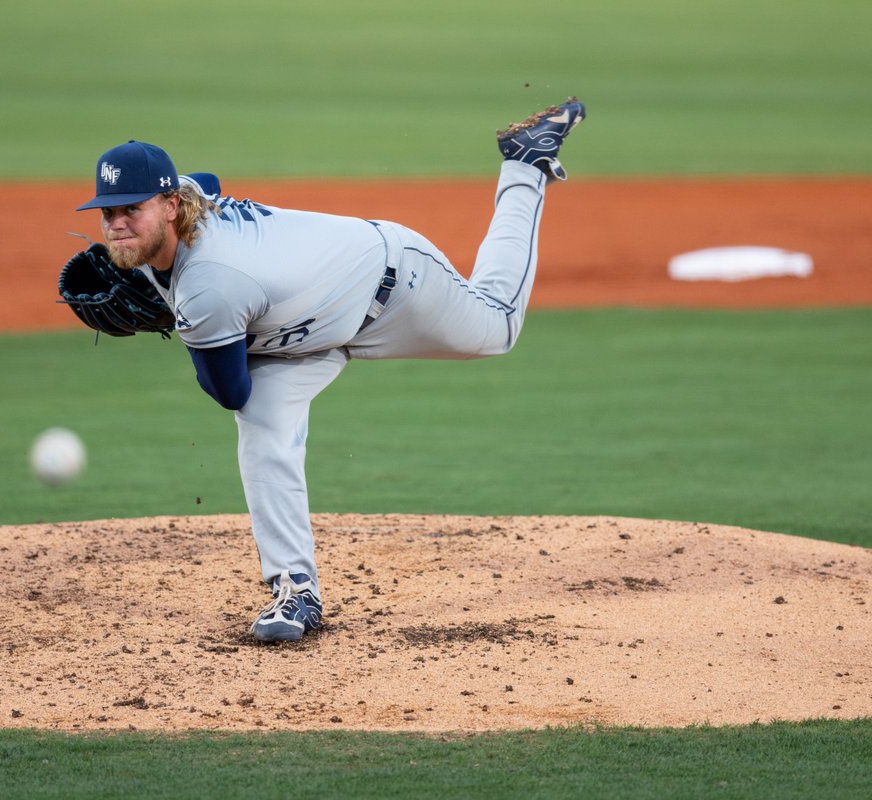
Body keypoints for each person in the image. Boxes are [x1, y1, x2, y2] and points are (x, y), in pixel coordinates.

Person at [76, 98, 586, 643]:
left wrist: (182, 320)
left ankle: (524, 164)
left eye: (133, 208)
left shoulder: (209, 286)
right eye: (109, 212)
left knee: (497, 328)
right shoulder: (193, 201)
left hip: (390, 286)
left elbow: (227, 388)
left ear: (172, 205)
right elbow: (208, 177)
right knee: (264, 425)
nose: (118, 224)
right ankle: (296, 593)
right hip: (304, 331)